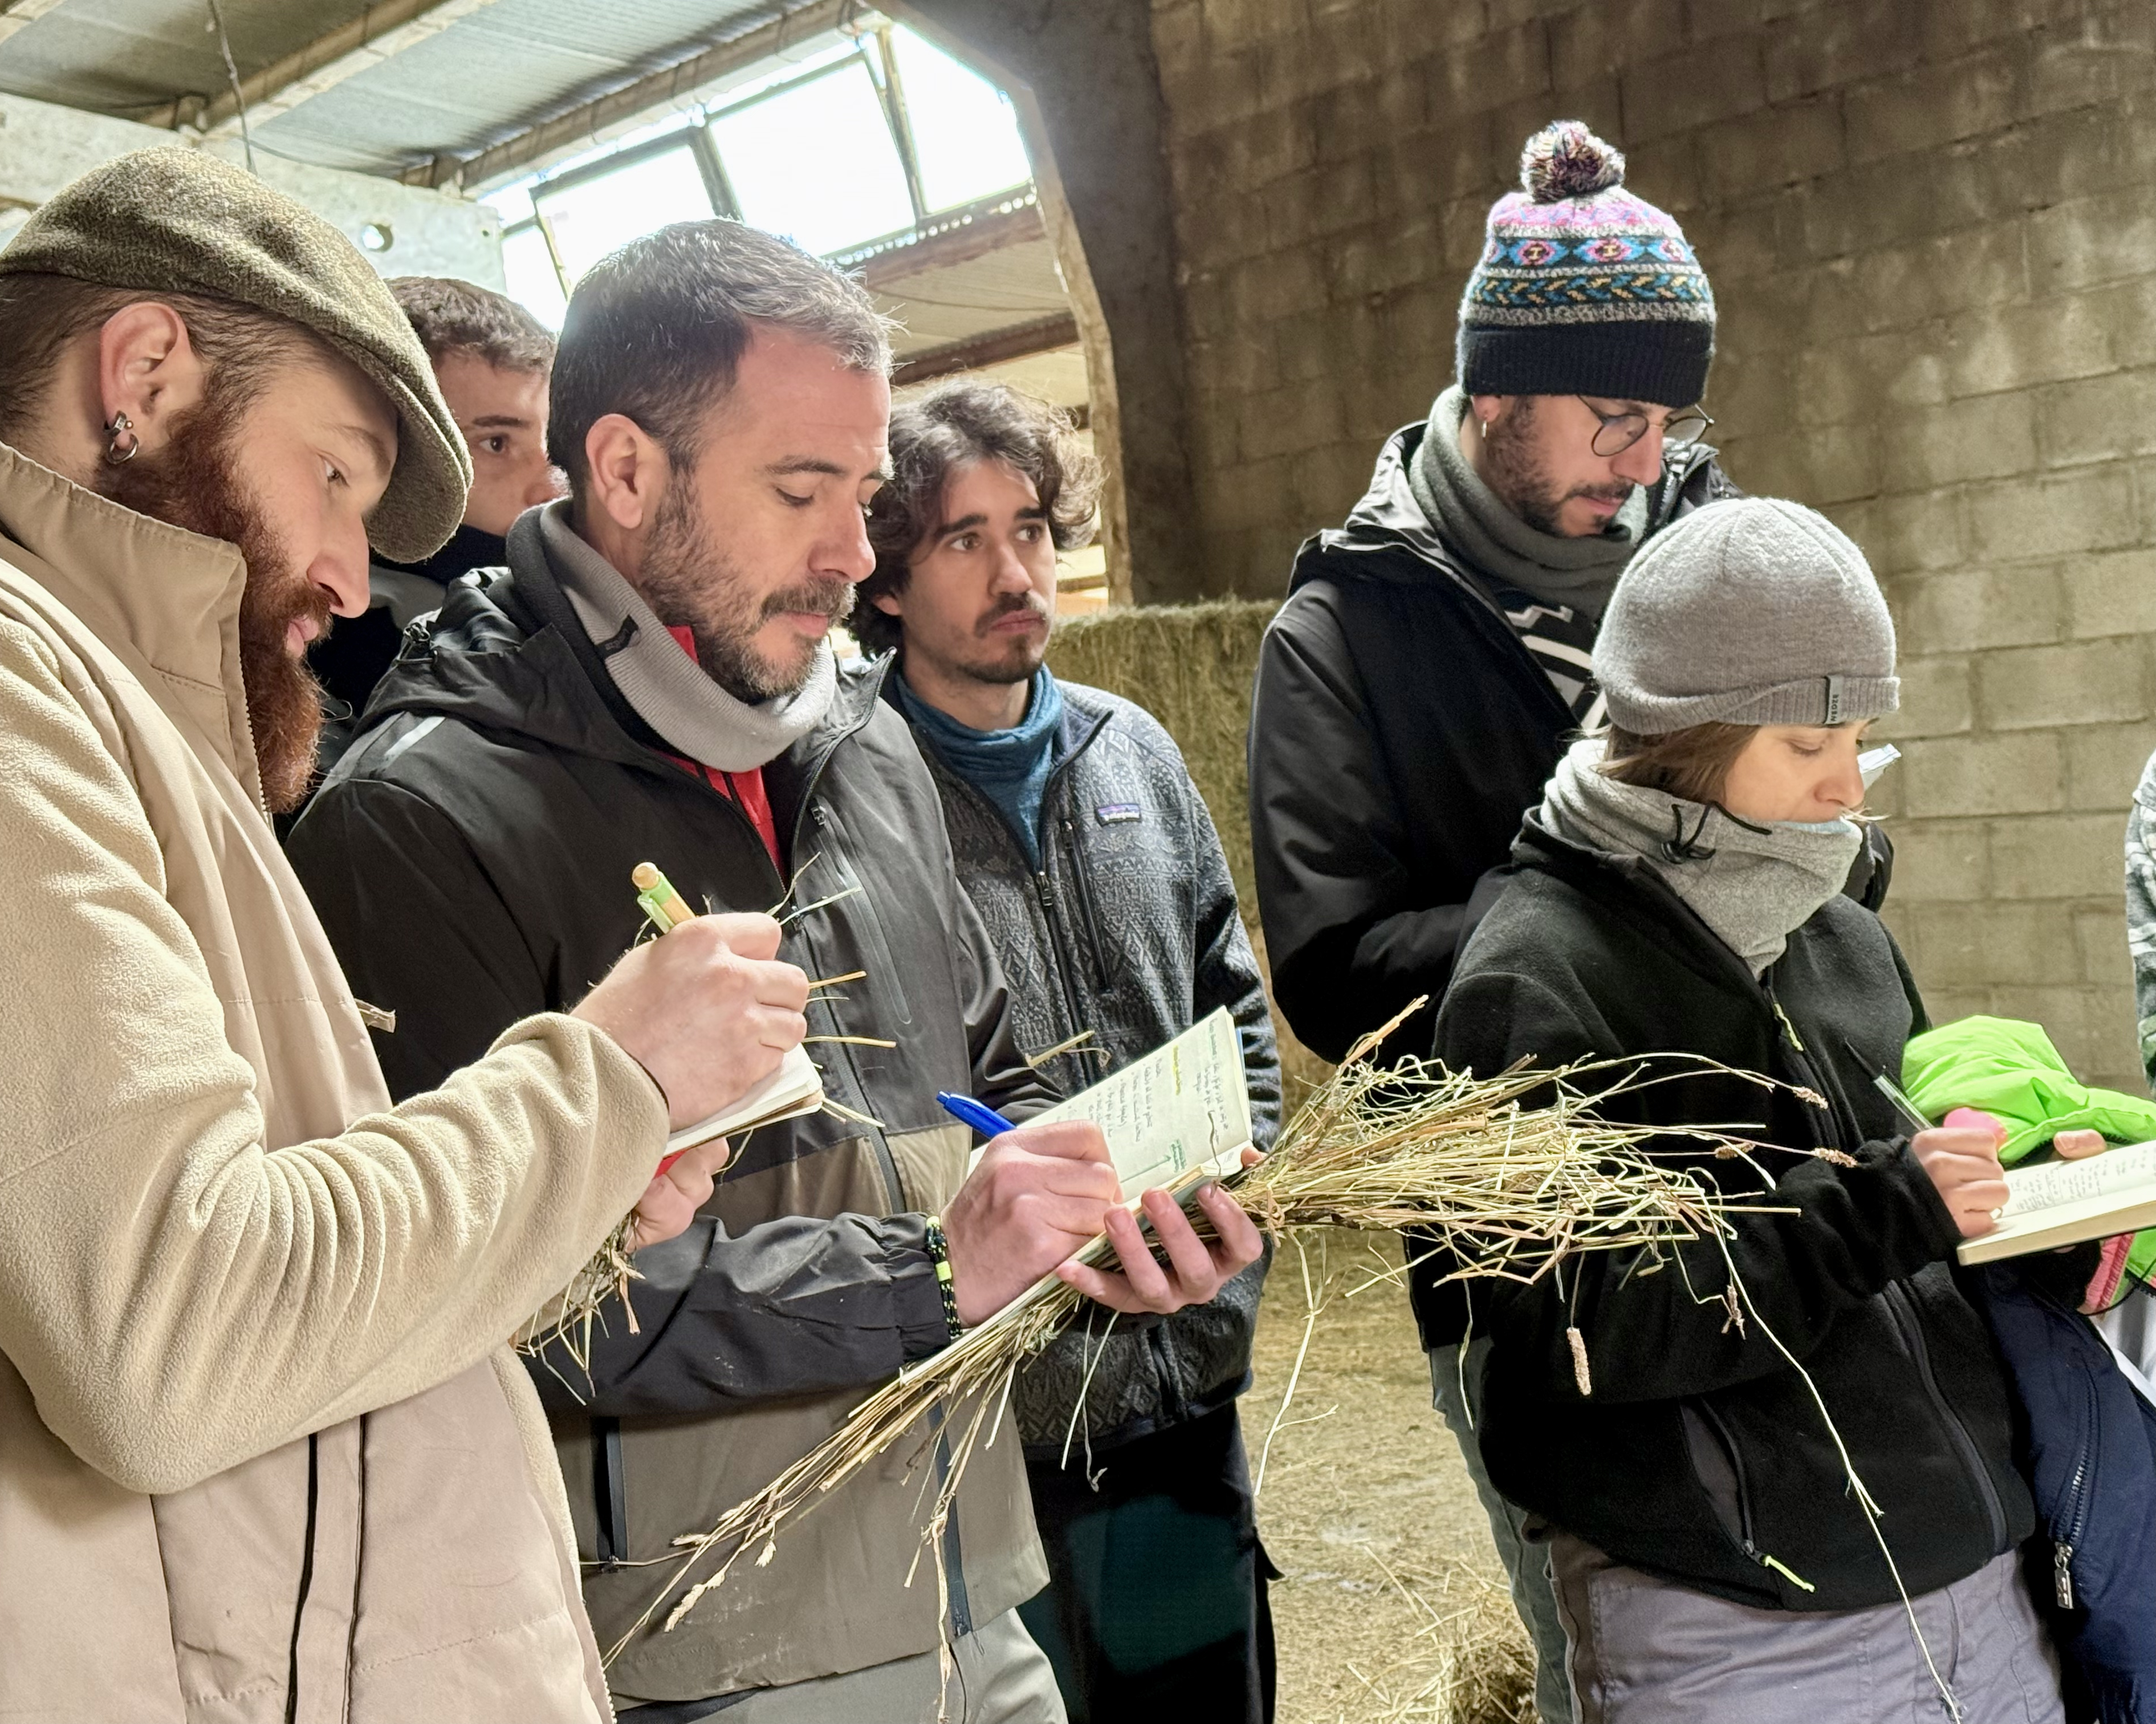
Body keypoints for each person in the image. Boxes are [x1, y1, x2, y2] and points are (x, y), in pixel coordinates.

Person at [0, 149, 808, 1723]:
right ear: (146, 372)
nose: (353, 578)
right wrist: (606, 1081)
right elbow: (173, 1333)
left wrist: (558, 1198)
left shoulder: (118, 709)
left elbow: (244, 1263)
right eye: (336, 479)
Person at [284, 219, 1265, 1722]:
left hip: (967, 1567)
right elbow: (478, 1301)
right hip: (705, 1634)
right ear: (622, 471)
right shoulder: (419, 821)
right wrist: (936, 1273)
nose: (852, 556)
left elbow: (973, 1068)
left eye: (864, 497)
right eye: (801, 492)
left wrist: (1105, 1207)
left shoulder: (858, 741)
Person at [1243, 117, 1746, 1719]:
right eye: (1609, 413)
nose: (1641, 453)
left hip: (1774, 1183)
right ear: (1496, 396)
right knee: (1629, 1657)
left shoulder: (1715, 557)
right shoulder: (1344, 633)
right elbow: (1332, 970)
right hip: (1538, 1253)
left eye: (1665, 416)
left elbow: (1820, 818)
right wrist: (1612, 909)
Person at [1435, 497, 2061, 1723]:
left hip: (1973, 1582)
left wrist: (2028, 1203)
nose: (1849, 787)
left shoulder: (1841, 934)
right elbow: (1582, 1332)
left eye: (1865, 734)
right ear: (1683, 735)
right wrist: (1878, 1212)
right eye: (1806, 745)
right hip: (1738, 1624)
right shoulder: (1536, 977)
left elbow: (1920, 1233)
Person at [850, 379, 1283, 1723]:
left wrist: (1232, 1212)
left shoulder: (1134, 753)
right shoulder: (847, 794)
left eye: (1029, 529)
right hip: (999, 1424)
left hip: (1183, 1390)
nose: (1013, 572)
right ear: (886, 578)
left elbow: (1238, 1014)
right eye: (962, 540)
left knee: (1205, 1703)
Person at [306, 274, 563, 765]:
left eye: (555, 442)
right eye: (497, 444)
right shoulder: (332, 648)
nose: (552, 486)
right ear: (393, 454)